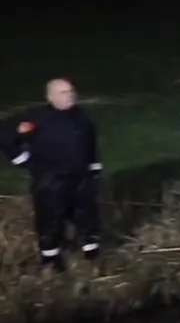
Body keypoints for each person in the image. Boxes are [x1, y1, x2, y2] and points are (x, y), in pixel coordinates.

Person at [3, 78, 104, 269]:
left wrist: (94, 167)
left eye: (71, 91)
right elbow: (6, 137)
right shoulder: (35, 119)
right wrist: (23, 160)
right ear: (50, 97)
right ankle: (51, 258)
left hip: (81, 176)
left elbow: (90, 144)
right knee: (50, 218)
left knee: (86, 214)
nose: (70, 95)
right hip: (51, 179)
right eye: (63, 92)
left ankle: (91, 251)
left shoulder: (82, 118)